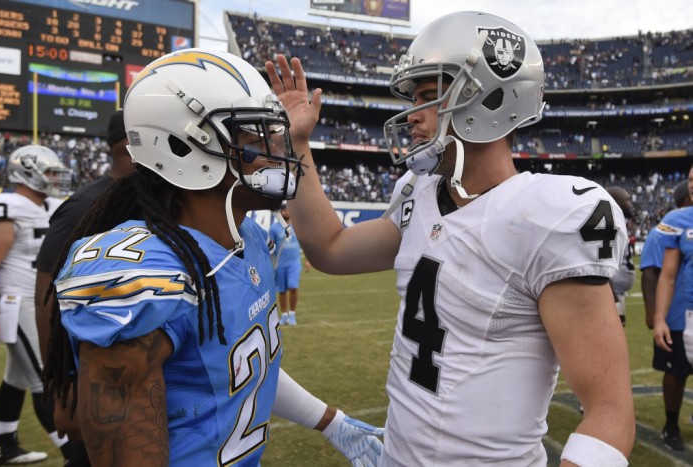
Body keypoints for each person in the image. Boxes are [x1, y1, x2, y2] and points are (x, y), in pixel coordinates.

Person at [266, 10, 635, 465]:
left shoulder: (549, 215)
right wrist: (297, 144)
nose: (412, 117)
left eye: (427, 97)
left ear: (492, 100)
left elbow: (609, 412)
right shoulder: (419, 194)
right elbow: (330, 248)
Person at [42, 48, 383, 466]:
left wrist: (332, 422)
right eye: (256, 140)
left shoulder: (249, 239)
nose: (279, 151)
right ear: (185, 148)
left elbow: (239, 368)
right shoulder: (146, 274)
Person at [34, 109, 133, 466]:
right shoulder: (84, 208)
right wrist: (63, 387)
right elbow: (47, 295)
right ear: (130, 144)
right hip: (97, 384)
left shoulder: (166, 199)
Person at [0, 145, 71, 464]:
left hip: (41, 300)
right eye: (50, 172)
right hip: (18, 300)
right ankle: (73, 453)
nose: (55, 179)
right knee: (43, 377)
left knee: (17, 378)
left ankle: (4, 445)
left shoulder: (52, 205)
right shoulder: (8, 206)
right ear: (27, 172)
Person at [649, 173, 693, 451]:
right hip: (684, 314)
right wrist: (660, 318)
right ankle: (672, 424)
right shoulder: (678, 221)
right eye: (691, 179)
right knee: (677, 372)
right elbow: (667, 275)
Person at [270, 202, 309, 326]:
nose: (286, 212)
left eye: (288, 209)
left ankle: (292, 314)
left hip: (294, 263)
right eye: (284, 210)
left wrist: (309, 260)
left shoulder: (298, 226)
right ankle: (284, 315)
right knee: (281, 291)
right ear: (280, 212)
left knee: (293, 287)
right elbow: (269, 247)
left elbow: (305, 245)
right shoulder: (274, 228)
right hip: (280, 264)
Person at [606, 186, 635, 325]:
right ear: (616, 202)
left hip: (617, 291)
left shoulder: (619, 222)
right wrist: (615, 300)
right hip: (612, 294)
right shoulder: (610, 226)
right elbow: (603, 265)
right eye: (627, 200)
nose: (630, 204)